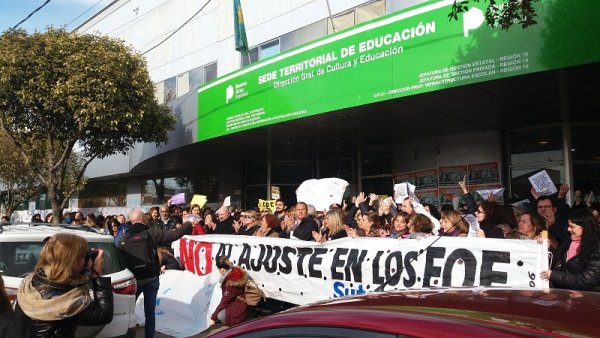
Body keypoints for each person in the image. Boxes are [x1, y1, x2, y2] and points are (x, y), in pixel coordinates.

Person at [15, 233, 113, 337]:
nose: (86, 259)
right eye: (83, 256)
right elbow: (104, 315)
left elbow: (68, 276)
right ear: (72, 262)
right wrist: (96, 274)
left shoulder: (31, 281)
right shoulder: (69, 301)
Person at [123, 209, 192, 338]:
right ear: (143, 220)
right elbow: (175, 235)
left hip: (134, 281)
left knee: (129, 312)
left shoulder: (124, 238)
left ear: (131, 221)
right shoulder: (151, 233)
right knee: (150, 313)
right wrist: (187, 224)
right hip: (151, 279)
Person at [541, 209, 600, 291]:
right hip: (563, 295)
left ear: (585, 228)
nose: (568, 229)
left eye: (572, 227)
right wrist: (545, 249)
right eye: (568, 226)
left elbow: (586, 281)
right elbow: (555, 263)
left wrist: (553, 275)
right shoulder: (569, 242)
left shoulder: (596, 249)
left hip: (584, 299)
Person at [209, 256, 248, 327]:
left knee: (220, 315)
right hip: (238, 300)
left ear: (222, 270)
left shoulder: (231, 283)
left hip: (238, 307)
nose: (219, 271)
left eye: (219, 269)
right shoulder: (234, 271)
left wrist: (213, 318)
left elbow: (225, 301)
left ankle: (235, 322)